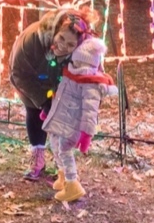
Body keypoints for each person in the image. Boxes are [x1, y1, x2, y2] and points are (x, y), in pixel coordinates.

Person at [7, 7, 93, 181]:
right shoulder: (32, 40)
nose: (63, 46)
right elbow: (18, 73)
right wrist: (42, 100)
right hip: (30, 76)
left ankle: (62, 164)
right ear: (54, 31)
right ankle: (37, 157)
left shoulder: (86, 50)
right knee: (34, 111)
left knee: (60, 118)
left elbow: (93, 77)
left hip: (60, 77)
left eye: (70, 45)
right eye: (61, 38)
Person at [42, 35, 117, 203]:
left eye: (81, 64)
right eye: (76, 62)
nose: (78, 67)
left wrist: (86, 134)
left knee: (65, 149)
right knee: (53, 140)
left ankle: (72, 183)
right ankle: (62, 174)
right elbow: (59, 96)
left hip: (74, 123)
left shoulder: (91, 84)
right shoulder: (70, 73)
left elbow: (90, 111)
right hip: (62, 117)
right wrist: (49, 112)